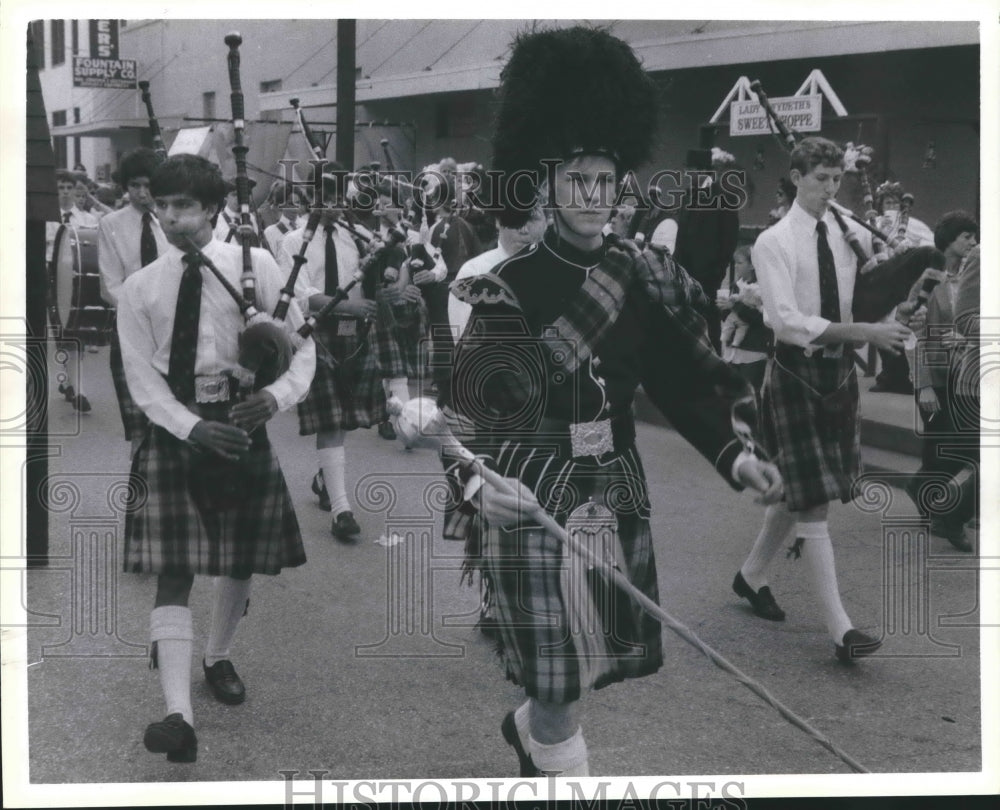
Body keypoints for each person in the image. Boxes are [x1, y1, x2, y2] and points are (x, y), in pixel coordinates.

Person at [446, 27, 782, 777]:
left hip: (613, 488)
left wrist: (735, 454)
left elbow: (682, 379)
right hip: (528, 489)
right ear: (547, 185)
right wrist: (473, 485)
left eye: (607, 180)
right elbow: (460, 422)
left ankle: (531, 731)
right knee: (561, 685)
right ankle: (556, 752)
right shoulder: (508, 289)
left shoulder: (642, 275)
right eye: (577, 180)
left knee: (586, 668)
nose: (596, 197)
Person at [116, 153, 315, 763]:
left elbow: (301, 346)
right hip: (180, 430)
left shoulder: (256, 266)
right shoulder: (141, 287)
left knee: (237, 560)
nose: (172, 216)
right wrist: (192, 427)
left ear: (212, 208)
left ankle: (218, 654)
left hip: (240, 423)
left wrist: (274, 398)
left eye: (184, 206)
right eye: (164, 205)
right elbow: (141, 383)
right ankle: (178, 716)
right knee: (175, 566)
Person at [732, 136, 914, 662]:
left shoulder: (850, 232)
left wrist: (896, 315)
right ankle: (841, 630)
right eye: (819, 180)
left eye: (837, 180)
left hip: (838, 375)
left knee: (798, 486)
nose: (829, 190)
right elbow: (785, 321)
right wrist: (861, 331)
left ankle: (750, 575)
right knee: (812, 501)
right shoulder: (773, 241)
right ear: (795, 176)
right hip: (795, 373)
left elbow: (870, 297)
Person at [276, 171, 385, 540]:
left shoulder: (355, 239)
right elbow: (298, 293)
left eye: (339, 198)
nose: (333, 205)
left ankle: (326, 477)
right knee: (332, 421)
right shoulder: (294, 240)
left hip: (354, 336)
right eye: (325, 196)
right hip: (316, 334)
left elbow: (371, 279)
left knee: (345, 419)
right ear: (311, 198)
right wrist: (347, 307)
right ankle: (342, 511)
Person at [905, 211, 979, 551]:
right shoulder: (928, 279)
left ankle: (929, 496)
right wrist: (923, 384)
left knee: (956, 446)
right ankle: (935, 506)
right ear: (949, 239)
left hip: (962, 374)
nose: (972, 242)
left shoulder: (968, 277)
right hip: (932, 374)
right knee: (938, 445)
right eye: (966, 236)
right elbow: (911, 332)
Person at [98, 147, 170, 444]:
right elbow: (110, 284)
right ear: (125, 186)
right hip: (131, 329)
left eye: (148, 185)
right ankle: (139, 486)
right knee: (139, 426)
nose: (142, 193)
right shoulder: (111, 224)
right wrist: (140, 314)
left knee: (172, 420)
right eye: (134, 185)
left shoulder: (171, 220)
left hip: (171, 328)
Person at [868, 182, 935, 395]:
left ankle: (906, 377)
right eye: (887, 202)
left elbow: (930, 245)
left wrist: (910, 251)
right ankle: (888, 376)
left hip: (906, 283)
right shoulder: (873, 223)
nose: (892, 205)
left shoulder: (914, 224)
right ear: (880, 204)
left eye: (895, 202)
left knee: (905, 328)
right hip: (881, 281)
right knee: (883, 325)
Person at [48, 169, 101, 412]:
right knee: (63, 334)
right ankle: (71, 384)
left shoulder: (87, 219)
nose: (66, 192)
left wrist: (95, 201)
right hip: (51, 279)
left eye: (70, 187)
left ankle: (77, 389)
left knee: (75, 334)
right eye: (61, 187)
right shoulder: (45, 220)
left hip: (78, 283)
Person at [717, 245, 771, 398]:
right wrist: (724, 308)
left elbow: (762, 319)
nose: (736, 266)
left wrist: (735, 306)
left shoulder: (762, 289)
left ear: (752, 265)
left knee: (748, 397)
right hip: (732, 350)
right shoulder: (736, 285)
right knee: (729, 397)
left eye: (739, 263)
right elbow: (729, 317)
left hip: (752, 350)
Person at [214, 176, 269, 250]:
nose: (239, 199)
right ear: (226, 197)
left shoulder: (252, 219)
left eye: (243, 195)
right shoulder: (217, 221)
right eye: (235, 195)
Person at [262, 179, 308, 257]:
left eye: (297, 203)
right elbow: (271, 259)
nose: (295, 207)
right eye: (291, 203)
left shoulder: (306, 225)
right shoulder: (271, 232)